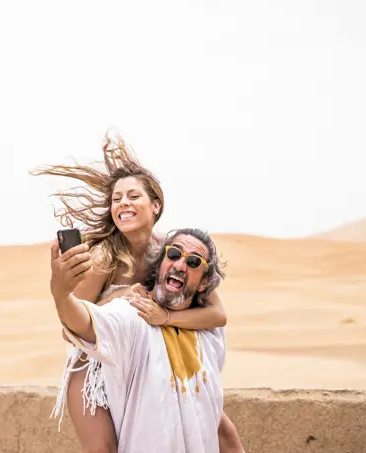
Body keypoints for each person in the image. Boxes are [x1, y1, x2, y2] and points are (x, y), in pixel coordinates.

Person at [31, 132, 244, 453]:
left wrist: (166, 316)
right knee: (103, 449)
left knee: (223, 433)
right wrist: (115, 299)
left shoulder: (173, 254)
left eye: (133, 196)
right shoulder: (104, 259)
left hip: (151, 362)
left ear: (155, 204)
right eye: (117, 199)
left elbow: (218, 314)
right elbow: (70, 330)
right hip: (96, 367)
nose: (123, 204)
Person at [49, 227, 228, 452]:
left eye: (193, 262)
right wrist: (61, 295)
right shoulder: (133, 314)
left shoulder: (209, 333)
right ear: (160, 263)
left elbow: (220, 317)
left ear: (204, 283)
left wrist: (167, 317)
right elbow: (82, 323)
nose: (180, 265)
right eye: (173, 255)